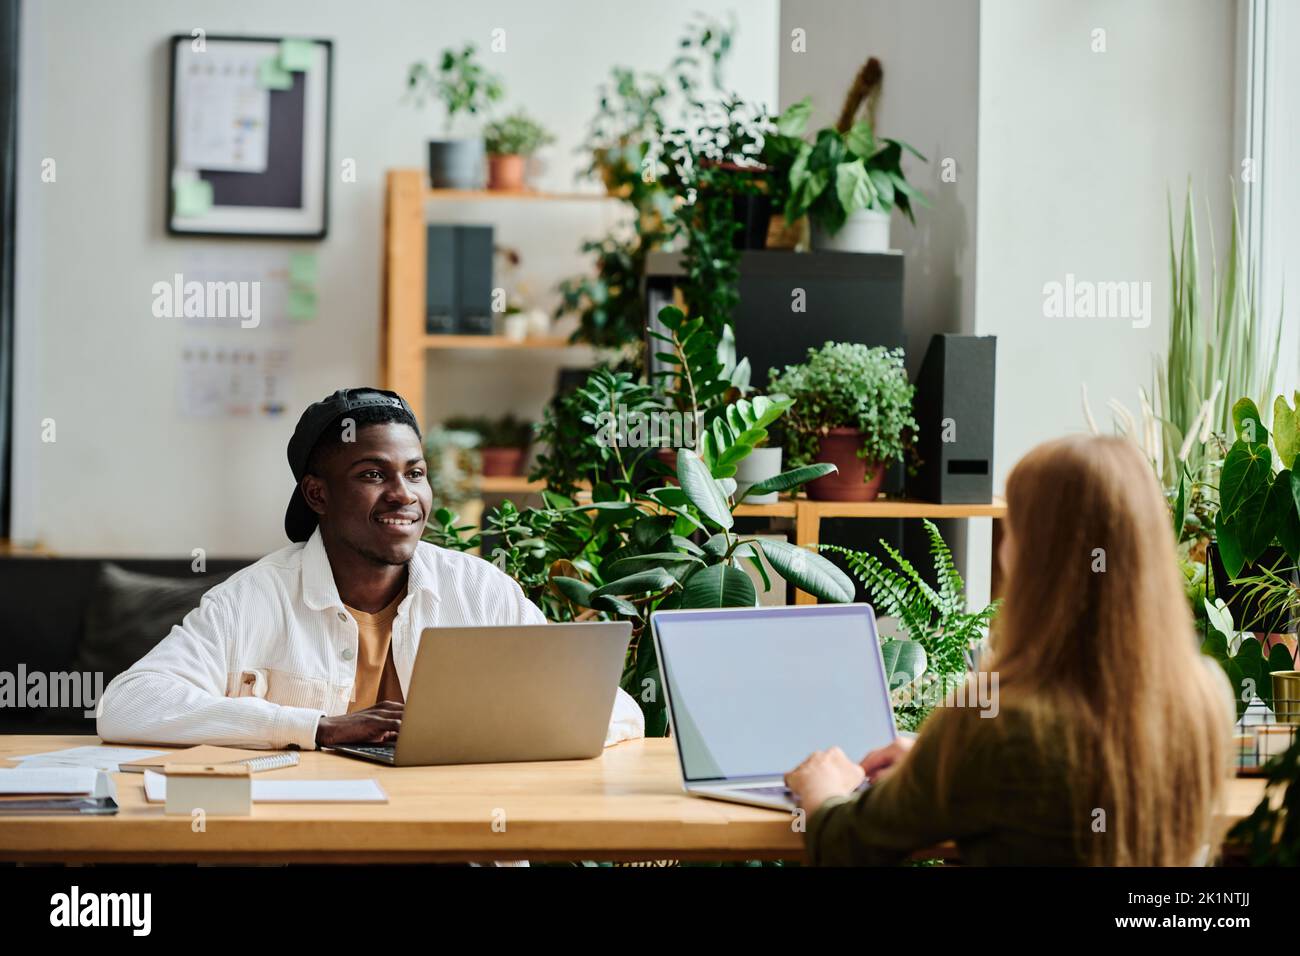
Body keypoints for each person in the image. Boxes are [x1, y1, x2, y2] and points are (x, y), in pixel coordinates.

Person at [97, 387, 645, 750]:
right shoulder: (252, 599)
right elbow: (128, 706)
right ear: (318, 494)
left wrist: (491, 731)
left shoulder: (479, 592)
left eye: (416, 473)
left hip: (456, 844)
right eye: (372, 475)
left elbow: (620, 713)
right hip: (311, 846)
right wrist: (316, 728)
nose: (403, 495)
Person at [786, 435, 1234, 865]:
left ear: (1038, 559)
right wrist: (933, 762)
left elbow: (846, 846)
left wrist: (824, 790)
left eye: (1014, 532)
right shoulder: (1206, 697)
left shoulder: (997, 724)